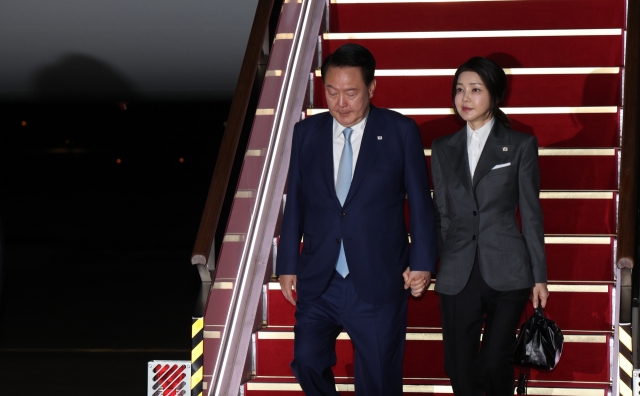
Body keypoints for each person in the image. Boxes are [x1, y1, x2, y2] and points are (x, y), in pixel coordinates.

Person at [276, 43, 438, 396]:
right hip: (320, 277)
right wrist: (287, 263)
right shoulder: (307, 133)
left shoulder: (400, 131)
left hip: (378, 277)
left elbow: (421, 205)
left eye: (351, 92)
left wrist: (422, 262)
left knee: (379, 378)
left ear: (372, 88)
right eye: (331, 92)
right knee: (305, 360)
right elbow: (296, 202)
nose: (340, 103)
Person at [431, 56, 549, 396]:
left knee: (494, 359)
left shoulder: (521, 144)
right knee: (457, 364)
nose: (465, 98)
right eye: (459, 90)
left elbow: (531, 213)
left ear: (495, 96)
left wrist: (538, 275)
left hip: (507, 268)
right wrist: (434, 262)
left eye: (475, 90)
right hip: (458, 269)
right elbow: (443, 213)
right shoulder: (443, 148)